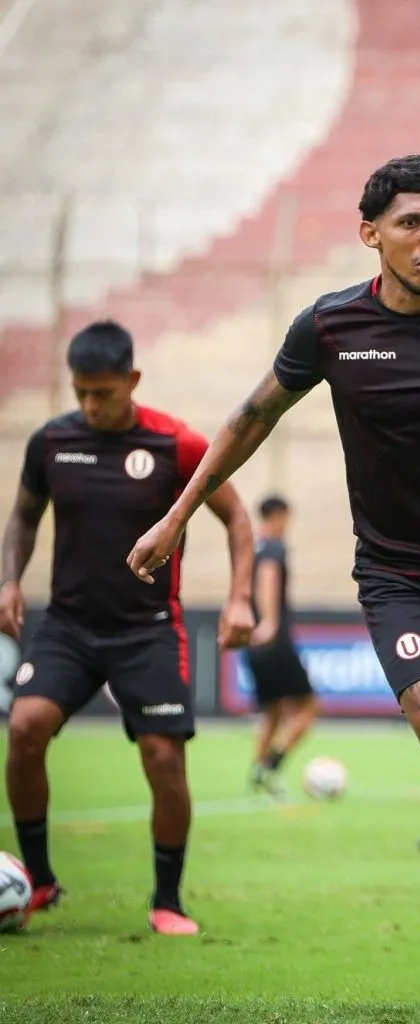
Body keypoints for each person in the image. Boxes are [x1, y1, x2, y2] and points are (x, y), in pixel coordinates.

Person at [128, 155, 420, 1000]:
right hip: (401, 578)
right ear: (370, 233)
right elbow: (251, 418)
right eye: (411, 222)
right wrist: (177, 515)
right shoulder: (330, 327)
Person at [0, 321, 255, 935]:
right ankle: (40, 881)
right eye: (81, 392)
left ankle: (168, 901)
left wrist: (240, 599)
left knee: (163, 758)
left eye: (103, 393)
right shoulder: (51, 442)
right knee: (26, 729)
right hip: (68, 626)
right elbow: (24, 516)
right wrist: (9, 580)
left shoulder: (177, 445)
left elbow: (237, 518)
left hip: (148, 630)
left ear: (132, 380)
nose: (91, 405)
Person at [246, 495, 318, 796]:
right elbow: (268, 576)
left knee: (272, 712)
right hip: (272, 639)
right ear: (279, 515)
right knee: (308, 708)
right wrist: (270, 622)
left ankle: (258, 775)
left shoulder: (251, 546)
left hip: (252, 640)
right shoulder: (273, 546)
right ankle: (270, 766)